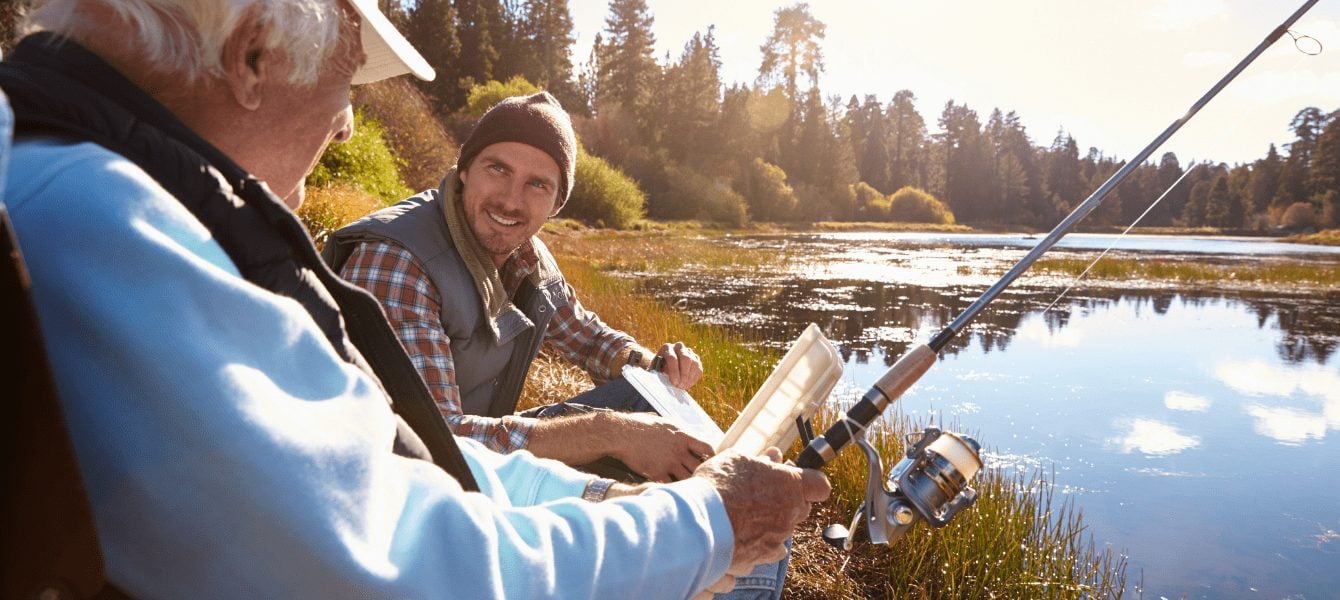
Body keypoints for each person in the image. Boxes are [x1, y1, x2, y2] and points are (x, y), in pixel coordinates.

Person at [0, 1, 829, 598]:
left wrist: (624, 437)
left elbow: (400, 458)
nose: (349, 128)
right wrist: (699, 521)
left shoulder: (98, 185)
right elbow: (402, 563)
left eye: (540, 184)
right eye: (346, 81)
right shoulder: (114, 225)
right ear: (252, 56)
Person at [324, 92, 713, 483]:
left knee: (649, 398)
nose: (511, 200)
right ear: (464, 171)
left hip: (472, 458)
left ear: (555, 204)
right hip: (395, 479)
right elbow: (433, 441)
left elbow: (590, 340)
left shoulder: (527, 256)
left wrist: (655, 365)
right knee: (629, 435)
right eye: (497, 169)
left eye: (537, 184)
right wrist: (612, 434)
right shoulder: (397, 260)